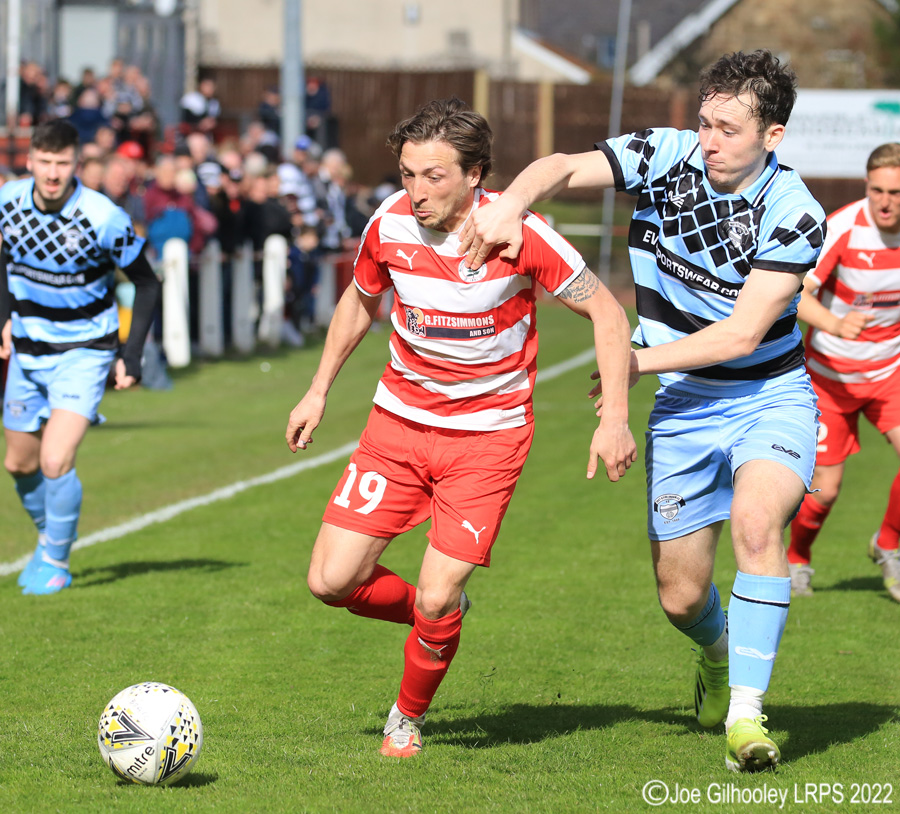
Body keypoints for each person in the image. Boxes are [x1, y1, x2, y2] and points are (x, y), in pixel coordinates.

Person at [458, 50, 827, 773]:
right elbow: (561, 165)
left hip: (768, 395)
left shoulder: (794, 213)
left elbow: (742, 334)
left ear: (772, 137)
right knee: (681, 595)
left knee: (758, 526)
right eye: (705, 121)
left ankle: (746, 720)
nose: (709, 139)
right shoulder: (666, 154)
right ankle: (718, 659)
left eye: (728, 128)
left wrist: (630, 360)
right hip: (686, 405)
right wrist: (512, 202)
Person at [284, 98, 636, 759]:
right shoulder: (387, 226)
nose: (417, 191)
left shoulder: (519, 233)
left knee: (442, 591)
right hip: (396, 428)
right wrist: (317, 390)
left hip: (486, 440)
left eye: (434, 175)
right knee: (331, 583)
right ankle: (436, 619)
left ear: (476, 175)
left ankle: (406, 717)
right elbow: (360, 303)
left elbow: (610, 317)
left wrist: (613, 418)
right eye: (408, 174)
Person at [0, 119, 160, 595]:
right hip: (27, 351)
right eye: (44, 162)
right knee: (20, 464)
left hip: (85, 352)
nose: (52, 173)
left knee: (54, 460)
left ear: (76, 163)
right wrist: (4, 314)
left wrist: (131, 357)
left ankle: (55, 559)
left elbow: (148, 282)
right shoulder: (8, 202)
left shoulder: (102, 216)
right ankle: (50, 536)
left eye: (62, 163)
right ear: (30, 161)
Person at [787, 143, 900, 601]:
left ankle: (888, 545)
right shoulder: (844, 228)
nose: (886, 201)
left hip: (890, 374)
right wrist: (835, 322)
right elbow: (794, 289)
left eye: (895, 191)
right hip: (829, 378)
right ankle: (796, 560)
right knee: (825, 492)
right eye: (877, 190)